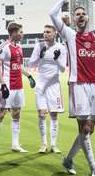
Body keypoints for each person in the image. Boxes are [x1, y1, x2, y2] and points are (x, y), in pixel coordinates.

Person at [50, 0, 95, 176]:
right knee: (84, 128)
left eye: (83, 13)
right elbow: (51, 14)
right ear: (73, 18)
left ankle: (68, 159)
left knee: (90, 129)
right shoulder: (69, 35)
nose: (80, 16)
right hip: (77, 85)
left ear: (87, 17)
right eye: (77, 14)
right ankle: (93, 166)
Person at [0, 22, 32, 155]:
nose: (22, 35)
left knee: (17, 114)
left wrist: (29, 76)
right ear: (13, 32)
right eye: (21, 32)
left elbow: (19, 66)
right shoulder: (3, 47)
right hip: (8, 86)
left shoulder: (19, 47)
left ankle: (15, 144)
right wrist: (2, 84)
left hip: (19, 86)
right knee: (0, 114)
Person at [27, 24, 68, 154]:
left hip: (53, 85)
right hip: (40, 85)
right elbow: (30, 64)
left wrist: (56, 59)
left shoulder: (61, 48)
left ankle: (54, 144)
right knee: (41, 114)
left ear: (55, 33)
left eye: (48, 32)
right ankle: (44, 143)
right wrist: (40, 55)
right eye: (44, 32)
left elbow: (62, 69)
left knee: (54, 115)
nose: (45, 34)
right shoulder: (39, 46)